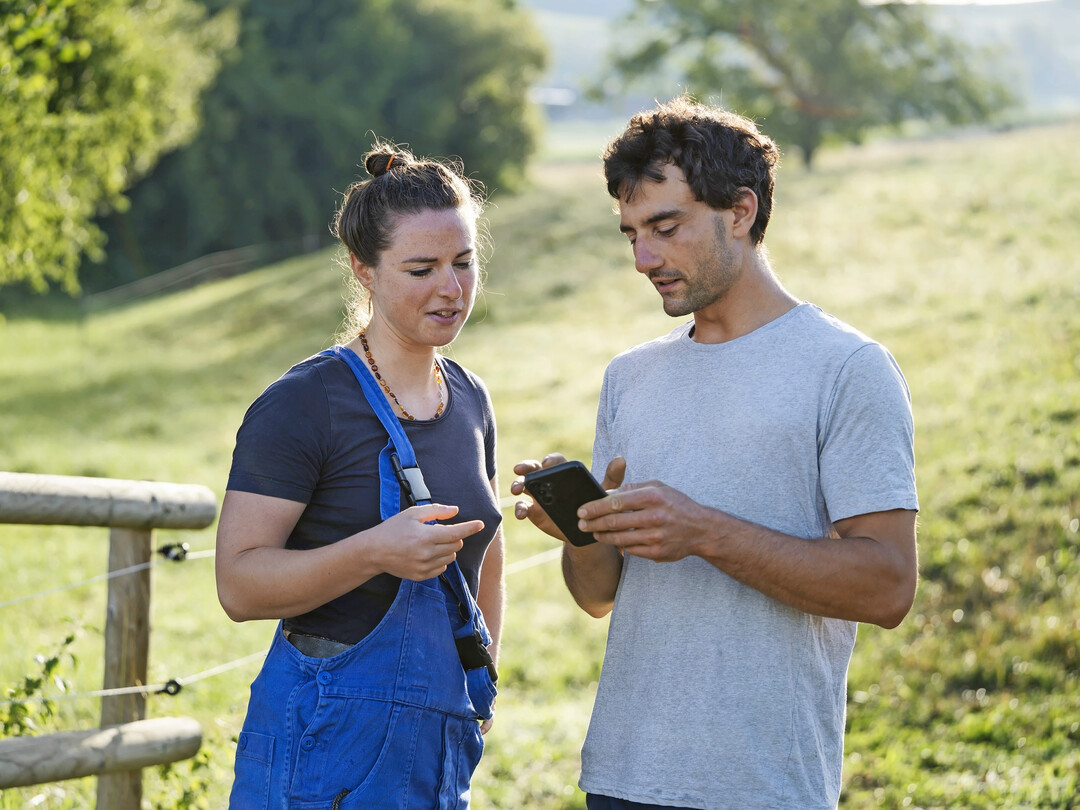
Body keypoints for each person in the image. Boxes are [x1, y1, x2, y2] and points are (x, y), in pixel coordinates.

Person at [512, 97, 919, 810]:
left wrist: (703, 532)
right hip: (619, 776)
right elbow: (599, 596)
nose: (643, 259)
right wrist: (581, 533)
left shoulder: (846, 368)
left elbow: (887, 587)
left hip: (761, 785)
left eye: (665, 228)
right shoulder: (628, 377)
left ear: (740, 211)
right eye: (631, 234)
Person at [216, 143, 504, 810]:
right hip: (323, 751)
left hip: (436, 752)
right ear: (363, 269)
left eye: (464, 262)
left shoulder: (471, 398)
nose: (451, 288)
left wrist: (483, 680)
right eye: (421, 268)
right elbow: (238, 584)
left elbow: (486, 552)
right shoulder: (304, 402)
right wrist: (376, 551)